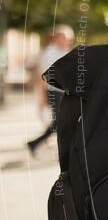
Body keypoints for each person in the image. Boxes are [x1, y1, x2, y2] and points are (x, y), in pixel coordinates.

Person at [27, 25, 74, 155]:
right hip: (53, 91)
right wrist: (42, 96)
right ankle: (37, 143)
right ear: (58, 37)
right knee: (61, 121)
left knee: (62, 121)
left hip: (63, 91)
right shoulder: (49, 53)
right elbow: (42, 76)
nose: (69, 40)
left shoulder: (63, 51)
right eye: (66, 37)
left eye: (70, 38)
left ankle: (35, 143)